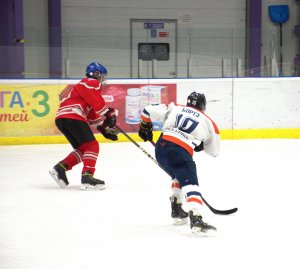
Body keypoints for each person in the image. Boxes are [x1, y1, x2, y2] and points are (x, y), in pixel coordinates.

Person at [138, 92, 220, 235]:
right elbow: (213, 151)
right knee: (190, 183)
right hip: (180, 151)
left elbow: (147, 110)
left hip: (161, 148)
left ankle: (176, 209)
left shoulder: (174, 107)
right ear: (203, 106)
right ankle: (196, 218)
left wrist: (145, 126)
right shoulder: (209, 122)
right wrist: (200, 145)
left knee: (178, 174)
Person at [49, 62, 118, 190]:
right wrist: (108, 112)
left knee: (85, 149)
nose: (103, 79)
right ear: (96, 74)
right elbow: (97, 104)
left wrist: (104, 129)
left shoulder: (84, 90)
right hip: (73, 116)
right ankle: (87, 177)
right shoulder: (91, 82)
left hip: (62, 119)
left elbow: (92, 115)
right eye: (102, 76)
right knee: (93, 145)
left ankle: (60, 168)